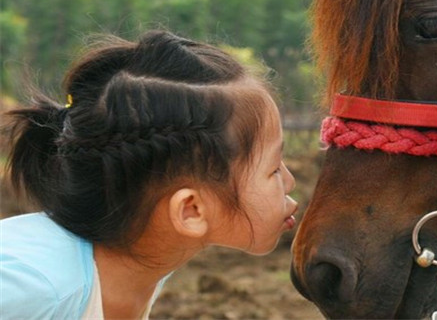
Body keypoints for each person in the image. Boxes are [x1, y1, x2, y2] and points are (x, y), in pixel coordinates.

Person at [0, 30, 298, 319]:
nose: (290, 181)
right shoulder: (35, 290)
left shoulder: (142, 260)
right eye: (273, 169)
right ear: (191, 210)